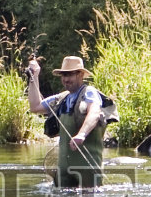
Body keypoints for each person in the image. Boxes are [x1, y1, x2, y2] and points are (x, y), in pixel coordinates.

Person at [26, 54, 106, 189]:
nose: (65, 79)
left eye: (69, 75)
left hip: (87, 167)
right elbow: (35, 107)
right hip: (63, 169)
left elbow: (94, 113)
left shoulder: (89, 92)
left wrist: (81, 134)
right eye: (63, 75)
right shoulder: (61, 98)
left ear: (80, 74)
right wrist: (34, 76)